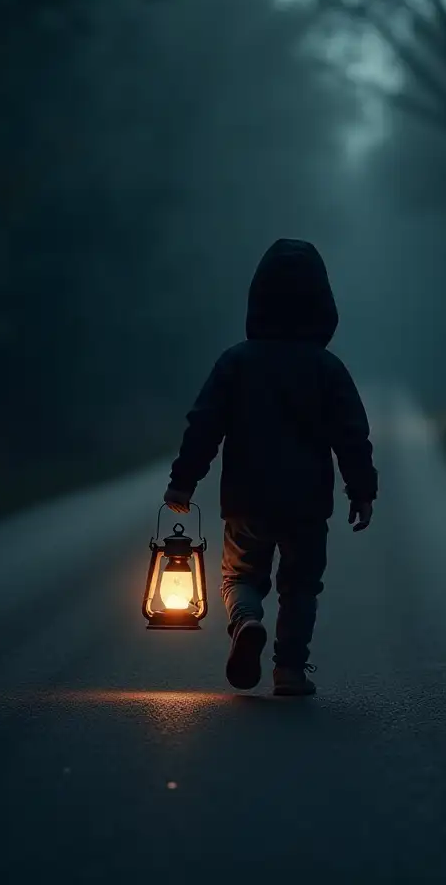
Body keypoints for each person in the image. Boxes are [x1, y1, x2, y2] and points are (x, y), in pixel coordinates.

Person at [162, 238, 377, 696]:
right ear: (323, 306)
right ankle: (290, 671)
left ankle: (246, 622)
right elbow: (352, 436)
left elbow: (205, 424)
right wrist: (362, 490)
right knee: (300, 585)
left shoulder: (236, 362)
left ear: (257, 300)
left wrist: (183, 483)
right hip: (307, 501)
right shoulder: (328, 369)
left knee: (240, 576)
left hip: (246, 498)